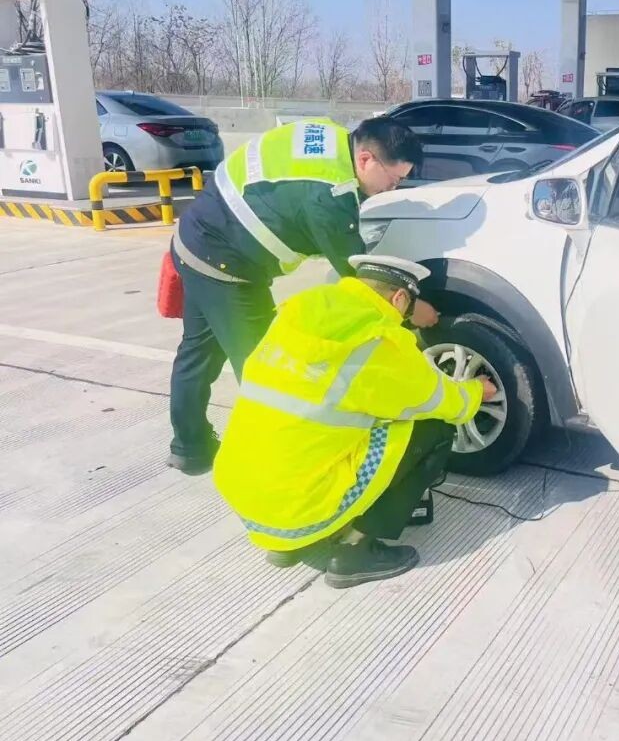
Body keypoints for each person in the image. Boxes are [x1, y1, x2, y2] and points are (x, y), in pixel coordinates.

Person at [168, 116, 434, 476]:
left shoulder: (332, 137)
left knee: (198, 352)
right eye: (394, 178)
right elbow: (362, 281)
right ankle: (271, 465)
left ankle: (190, 448)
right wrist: (413, 308)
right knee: (266, 369)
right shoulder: (329, 196)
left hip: (195, 233)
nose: (392, 187)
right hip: (226, 262)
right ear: (366, 159)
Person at [212, 255, 498, 588]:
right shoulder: (380, 341)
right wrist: (476, 391)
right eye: (407, 310)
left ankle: (286, 546)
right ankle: (355, 550)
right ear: (399, 298)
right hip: (298, 508)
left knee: (307, 428)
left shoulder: (303, 306)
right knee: (432, 427)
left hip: (244, 497)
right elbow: (442, 401)